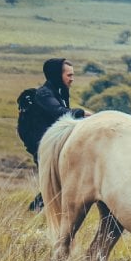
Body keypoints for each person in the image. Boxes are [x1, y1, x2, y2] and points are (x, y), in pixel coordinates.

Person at [18, 58, 87, 210]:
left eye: (73, 75)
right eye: (69, 75)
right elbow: (60, 113)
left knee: (58, 184)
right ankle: (34, 212)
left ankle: (38, 213)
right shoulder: (44, 94)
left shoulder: (59, 93)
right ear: (57, 75)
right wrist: (84, 113)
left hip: (52, 146)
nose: (72, 79)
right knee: (56, 184)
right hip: (44, 147)